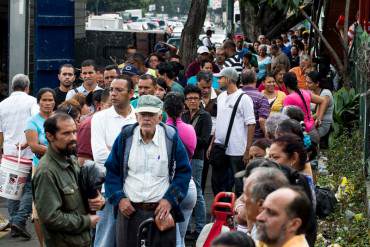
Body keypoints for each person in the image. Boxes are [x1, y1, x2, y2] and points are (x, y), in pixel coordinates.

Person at [105, 95, 192, 246]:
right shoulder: (125, 137)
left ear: (159, 117)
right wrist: (119, 199)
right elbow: (112, 170)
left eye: (151, 115)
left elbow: (183, 172)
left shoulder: (170, 137)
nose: (146, 119)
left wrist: (170, 200)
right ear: (136, 116)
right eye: (143, 115)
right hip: (129, 211)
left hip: (160, 211)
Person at [32, 113, 105, 247]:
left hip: (82, 240)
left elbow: (80, 194)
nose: (73, 138)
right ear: (50, 136)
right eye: (66, 134)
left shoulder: (70, 159)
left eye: (74, 132)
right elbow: (51, 217)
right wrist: (86, 221)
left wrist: (98, 199)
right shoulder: (46, 172)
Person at [91, 76, 137, 247]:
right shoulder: (100, 118)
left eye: (119, 90)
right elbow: (100, 155)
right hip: (108, 188)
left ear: (131, 93)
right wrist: (130, 157)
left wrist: (114, 150)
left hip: (136, 189)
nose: (113, 94)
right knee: (105, 239)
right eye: (111, 89)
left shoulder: (138, 118)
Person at [0, 74, 37, 239]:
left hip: (9, 153)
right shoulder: (32, 102)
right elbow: (36, 124)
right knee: (30, 187)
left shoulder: (2, 104)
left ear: (12, 87)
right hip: (27, 151)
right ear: (27, 87)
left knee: (12, 189)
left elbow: (0, 132)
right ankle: (20, 220)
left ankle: (15, 221)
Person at [209, 67, 255, 196]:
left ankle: (238, 211)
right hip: (219, 147)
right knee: (218, 182)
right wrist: (212, 143)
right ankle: (221, 209)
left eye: (221, 78)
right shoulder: (221, 96)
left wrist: (247, 150)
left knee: (239, 183)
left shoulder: (244, 98)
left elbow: (251, 124)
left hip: (237, 149)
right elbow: (219, 121)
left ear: (229, 79)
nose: (218, 80)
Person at [164, 92, 197, 247]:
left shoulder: (162, 131)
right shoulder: (189, 129)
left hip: (169, 188)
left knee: (172, 239)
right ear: (183, 108)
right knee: (180, 238)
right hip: (188, 187)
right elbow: (191, 153)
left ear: (164, 109)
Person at [25, 88, 56, 243]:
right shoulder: (32, 121)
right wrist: (56, 150)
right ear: (38, 102)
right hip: (41, 168)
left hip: (61, 167)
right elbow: (34, 146)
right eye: (44, 100)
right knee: (39, 210)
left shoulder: (60, 119)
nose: (47, 103)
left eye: (50, 100)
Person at [182, 85, 212, 239]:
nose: (192, 101)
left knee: (198, 192)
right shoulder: (184, 116)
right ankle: (186, 227)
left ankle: (200, 228)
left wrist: (187, 139)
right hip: (184, 158)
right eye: (189, 98)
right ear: (185, 101)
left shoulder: (204, 116)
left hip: (197, 158)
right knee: (184, 192)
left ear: (200, 100)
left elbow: (205, 140)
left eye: (195, 98)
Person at [242, 167, 289, 238]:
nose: (242, 199)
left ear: (261, 205)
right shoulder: (264, 227)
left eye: (245, 194)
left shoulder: (274, 239)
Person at [283, 72, 327, 137]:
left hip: (301, 132)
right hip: (312, 129)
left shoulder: (288, 98)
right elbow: (323, 101)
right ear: (296, 82)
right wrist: (319, 118)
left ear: (285, 84)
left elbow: (285, 118)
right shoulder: (305, 92)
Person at [77, 89, 111, 165]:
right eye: (111, 106)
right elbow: (83, 161)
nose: (115, 110)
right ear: (101, 105)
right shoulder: (89, 125)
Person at [241, 69, 270, 139]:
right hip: (256, 139)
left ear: (241, 81)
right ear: (255, 79)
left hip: (238, 138)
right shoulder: (261, 97)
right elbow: (262, 120)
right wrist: (268, 139)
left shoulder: (236, 95)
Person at [306, 71, 333, 138]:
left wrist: (304, 121)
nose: (307, 84)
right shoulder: (311, 92)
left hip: (322, 125)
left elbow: (318, 114)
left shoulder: (325, 93)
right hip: (313, 122)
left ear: (317, 83)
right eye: (306, 82)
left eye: (309, 83)